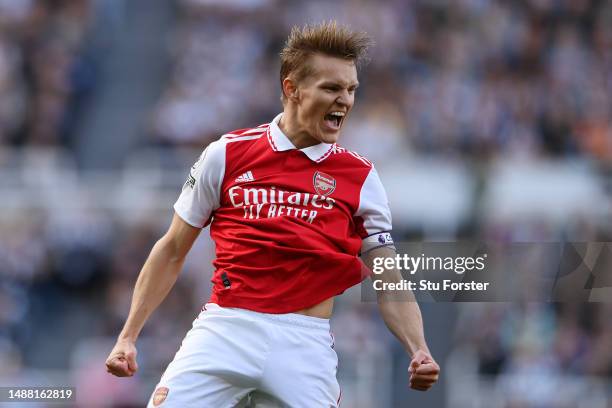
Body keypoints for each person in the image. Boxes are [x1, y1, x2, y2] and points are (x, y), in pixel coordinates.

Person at [105, 21, 440, 407]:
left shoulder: (360, 176)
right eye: (331, 88)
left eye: (351, 90)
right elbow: (173, 248)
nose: (345, 101)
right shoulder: (227, 154)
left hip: (304, 342)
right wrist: (128, 335)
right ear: (291, 88)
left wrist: (419, 348)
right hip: (226, 329)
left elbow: (388, 276)